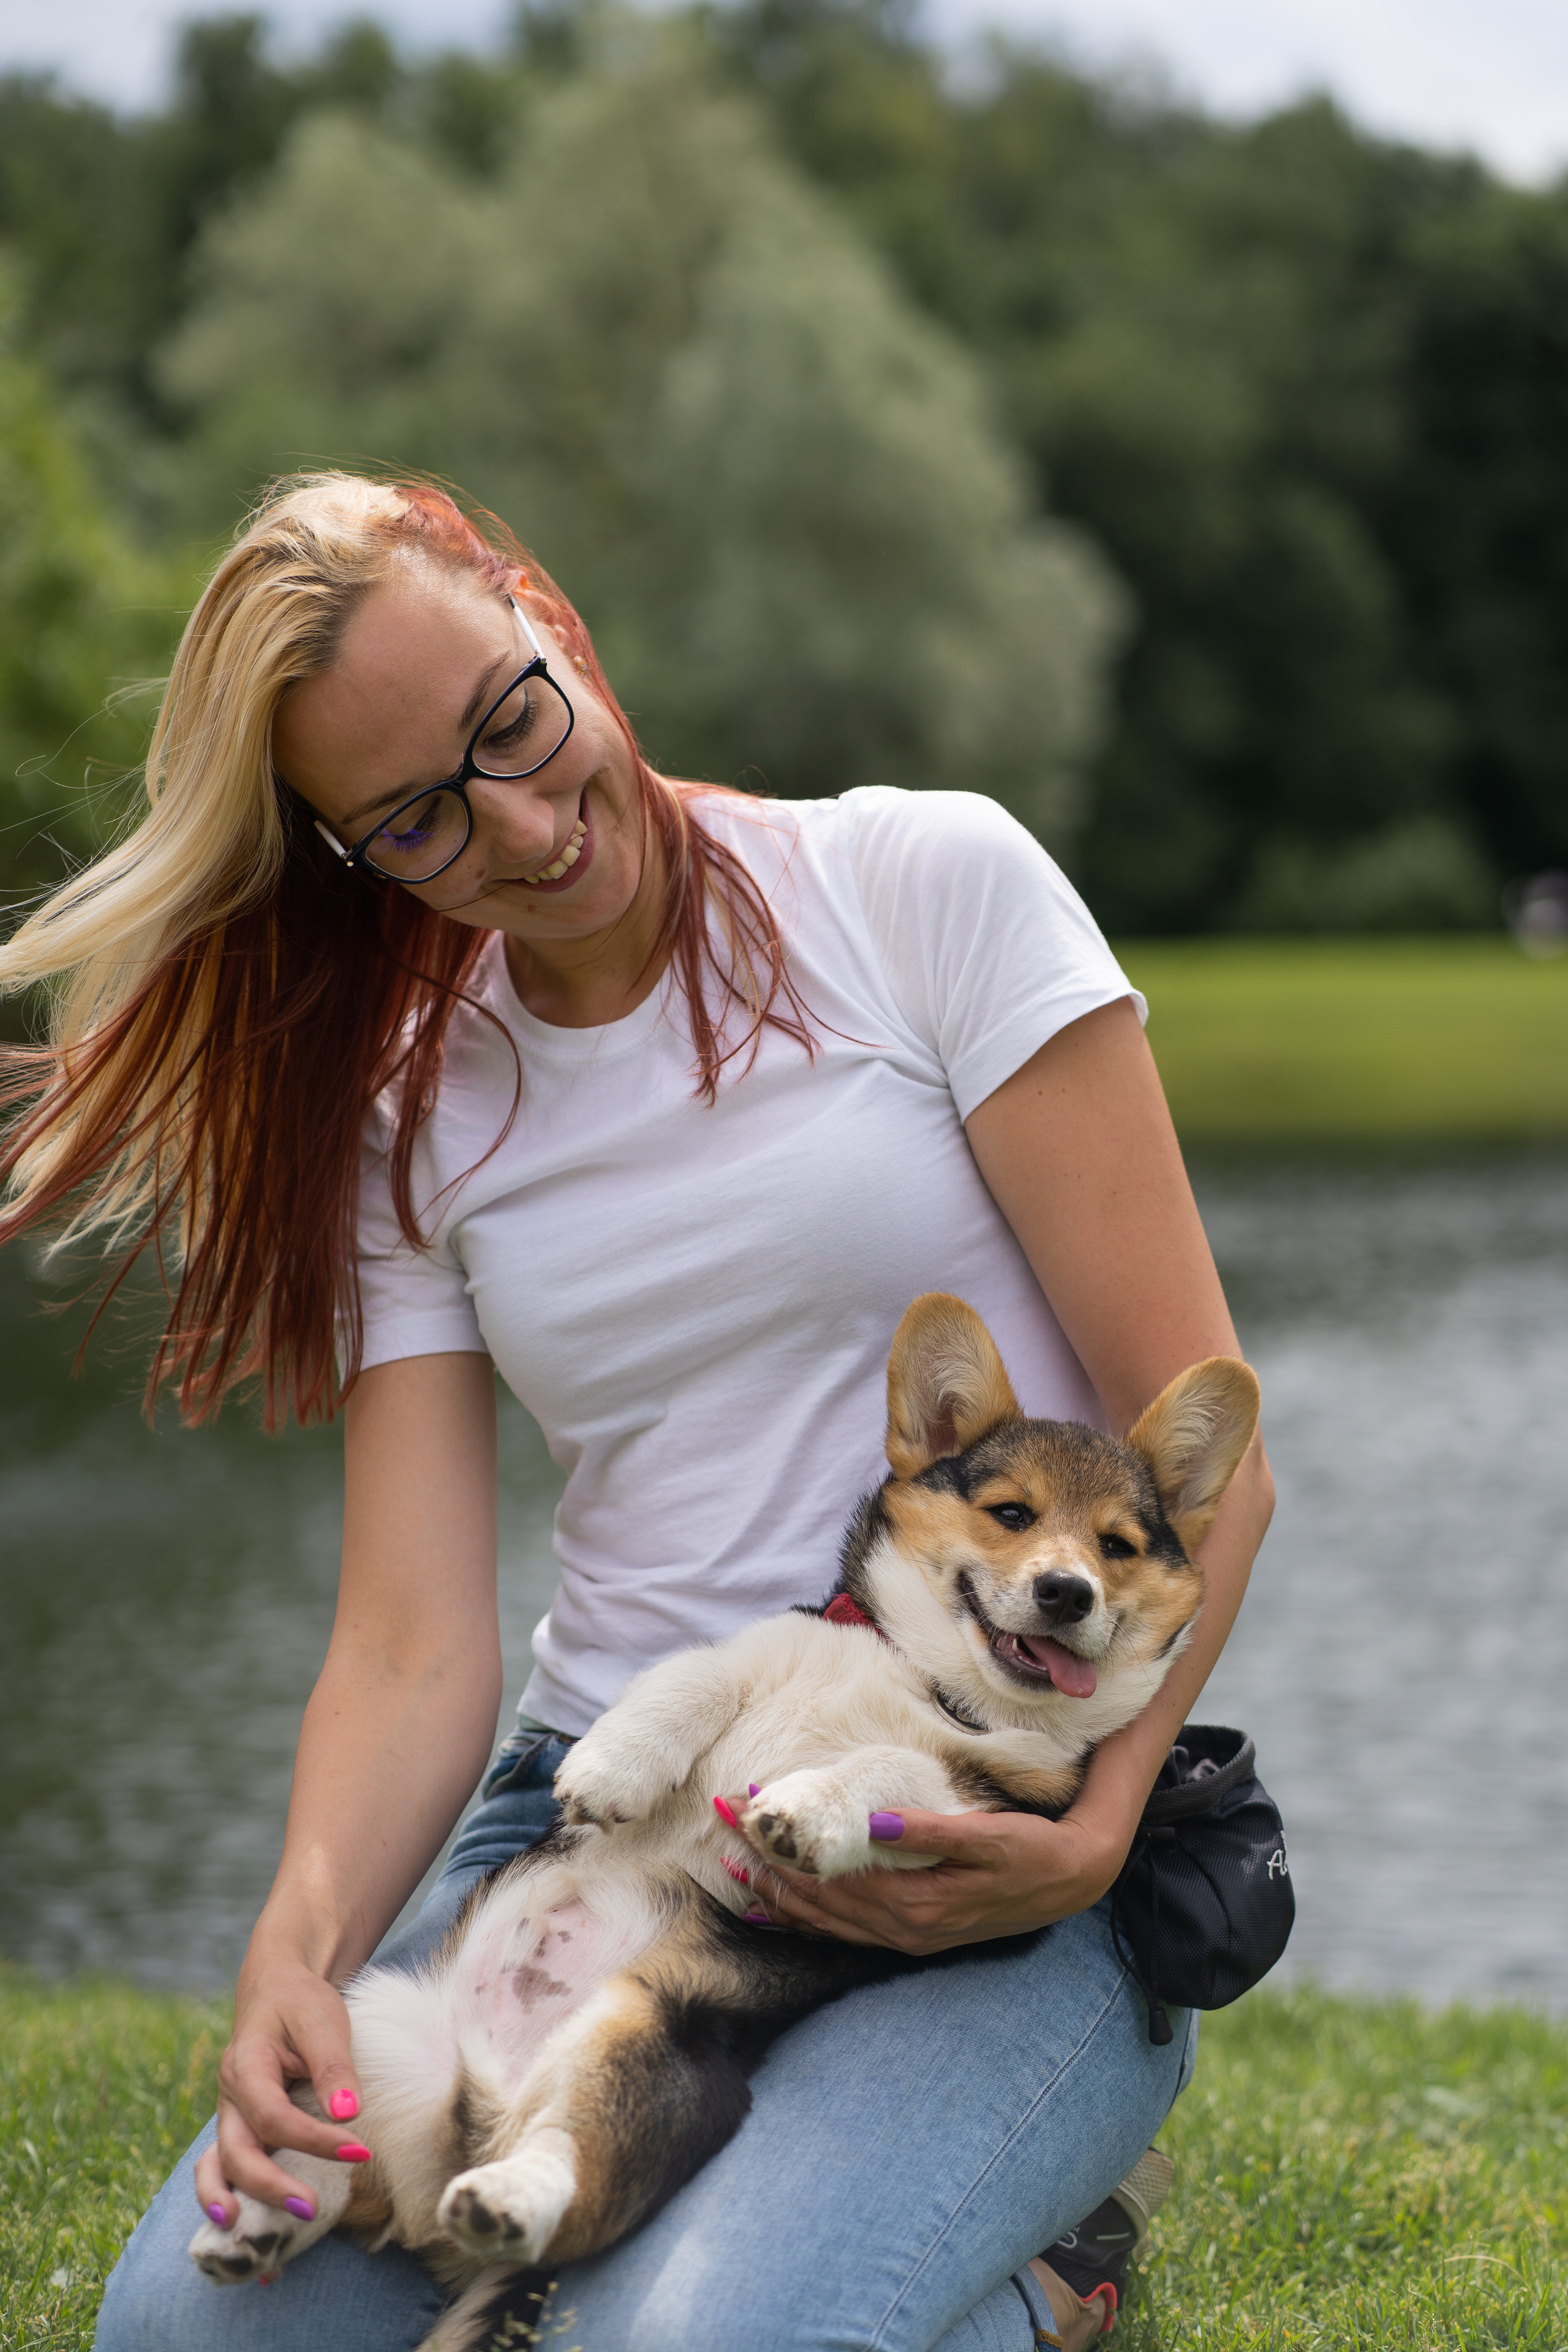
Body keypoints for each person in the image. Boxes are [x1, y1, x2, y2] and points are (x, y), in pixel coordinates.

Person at [0, 473, 1273, 2352]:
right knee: (186, 2338)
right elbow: (413, 1638)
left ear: (550, 619)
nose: (521, 824)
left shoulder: (927, 888)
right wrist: (307, 1928)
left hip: (975, 1815)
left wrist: (1088, 1831)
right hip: (600, 1809)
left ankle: (1046, 2273)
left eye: (510, 723)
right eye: (420, 819)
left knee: (686, 2343)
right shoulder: (414, 1110)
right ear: (358, 860)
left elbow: (1207, 1477)